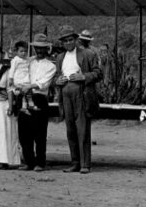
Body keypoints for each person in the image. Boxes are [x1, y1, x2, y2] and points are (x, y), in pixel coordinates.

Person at [53, 25, 102, 174]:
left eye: (70, 40)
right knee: (70, 129)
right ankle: (74, 162)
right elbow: (55, 76)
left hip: (81, 92)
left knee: (82, 129)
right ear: (62, 43)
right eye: (65, 41)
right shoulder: (60, 57)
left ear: (76, 40)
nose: (68, 43)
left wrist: (83, 76)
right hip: (65, 93)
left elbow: (98, 73)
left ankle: (84, 164)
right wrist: (58, 80)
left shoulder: (87, 54)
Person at [16, 34, 56, 171]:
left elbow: (44, 83)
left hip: (39, 97)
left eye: (42, 48)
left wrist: (30, 86)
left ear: (47, 49)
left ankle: (40, 162)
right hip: (24, 96)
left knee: (39, 133)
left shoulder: (51, 66)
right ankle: (28, 161)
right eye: (37, 48)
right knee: (24, 132)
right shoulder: (28, 61)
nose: (39, 51)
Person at [8, 40, 32, 114]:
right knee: (19, 93)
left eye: (25, 51)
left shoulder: (28, 59)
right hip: (18, 78)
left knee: (27, 93)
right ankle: (18, 109)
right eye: (21, 51)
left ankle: (26, 106)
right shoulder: (15, 60)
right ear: (16, 52)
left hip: (26, 77)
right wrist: (10, 78)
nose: (23, 53)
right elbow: (12, 70)